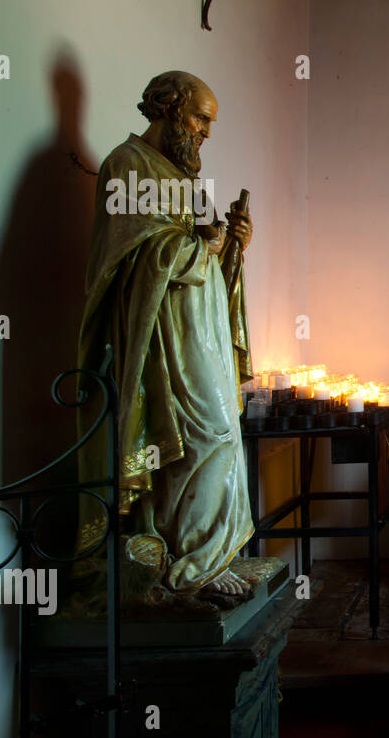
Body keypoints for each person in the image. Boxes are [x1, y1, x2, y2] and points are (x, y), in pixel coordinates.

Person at [74, 71, 255, 598]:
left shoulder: (183, 179)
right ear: (168, 110)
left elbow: (207, 266)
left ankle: (203, 555)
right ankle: (192, 564)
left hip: (201, 327)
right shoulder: (125, 166)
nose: (206, 132)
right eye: (201, 118)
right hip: (161, 336)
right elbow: (123, 262)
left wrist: (234, 247)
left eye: (210, 122)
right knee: (201, 438)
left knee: (220, 435)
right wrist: (202, 247)